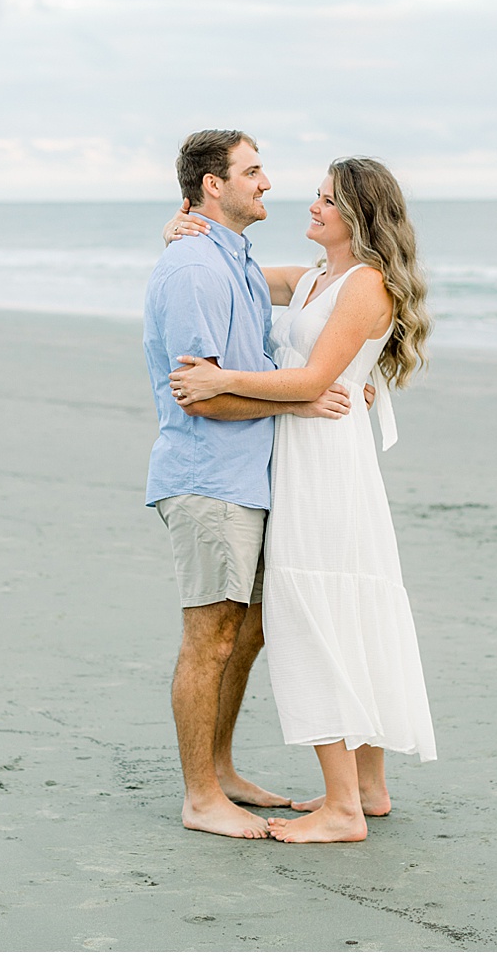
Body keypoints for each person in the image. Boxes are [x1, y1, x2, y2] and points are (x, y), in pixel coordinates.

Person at [167, 157, 437, 844]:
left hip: (327, 461)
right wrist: (185, 229)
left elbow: (316, 379)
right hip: (305, 450)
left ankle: (343, 810)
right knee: (341, 607)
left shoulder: (367, 284)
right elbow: (234, 276)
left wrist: (219, 378)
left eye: (325, 200)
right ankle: (368, 787)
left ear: (357, 214)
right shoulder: (315, 276)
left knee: (318, 611)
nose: (311, 206)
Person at [142, 129, 361, 840]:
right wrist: (297, 401)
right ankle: (201, 795)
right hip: (208, 477)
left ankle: (224, 769)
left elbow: (319, 282)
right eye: (253, 170)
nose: (267, 183)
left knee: (249, 628)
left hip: (249, 476)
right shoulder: (195, 270)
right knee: (209, 635)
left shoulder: (230, 257)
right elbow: (197, 394)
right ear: (214, 184)